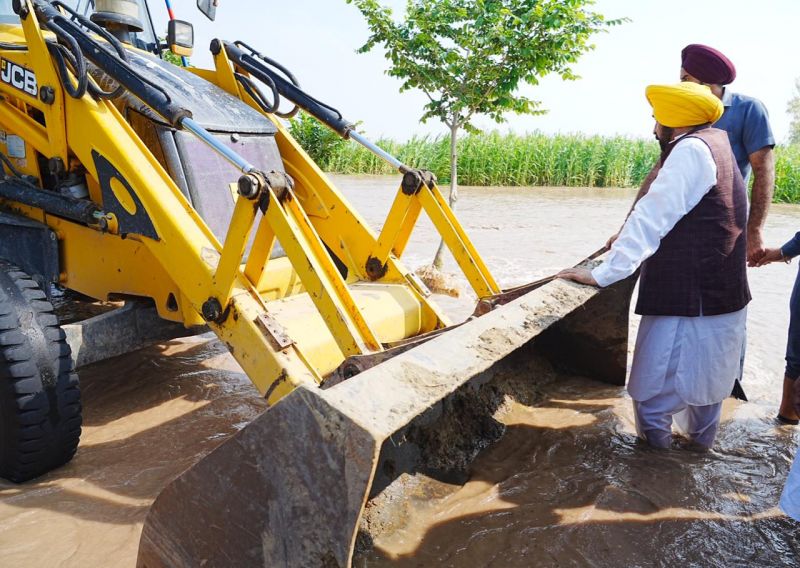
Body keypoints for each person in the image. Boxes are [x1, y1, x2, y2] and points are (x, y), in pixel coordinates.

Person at [559, 82, 750, 450]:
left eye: (656, 119)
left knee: (651, 399)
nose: (652, 129)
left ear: (673, 123)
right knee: (706, 394)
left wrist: (602, 273)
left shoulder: (691, 151)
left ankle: (655, 471)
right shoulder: (719, 142)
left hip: (688, 303)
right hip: (722, 298)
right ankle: (695, 468)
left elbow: (652, 214)